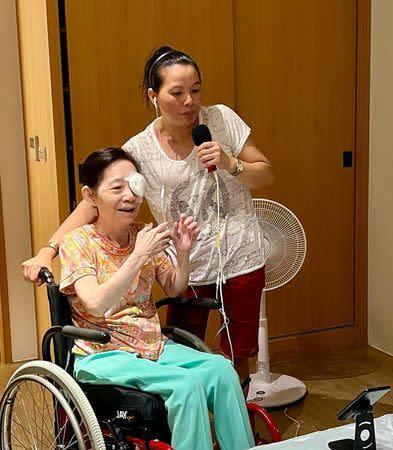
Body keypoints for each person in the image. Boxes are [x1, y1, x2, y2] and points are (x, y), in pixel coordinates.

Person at [23, 45, 275, 383]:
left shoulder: (220, 119)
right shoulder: (139, 149)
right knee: (186, 351)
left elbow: (266, 174)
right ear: (153, 96)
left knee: (240, 351)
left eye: (196, 90)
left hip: (241, 255)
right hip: (186, 262)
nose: (190, 102)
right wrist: (49, 249)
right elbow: (92, 202)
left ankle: (237, 410)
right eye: (177, 93)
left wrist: (231, 163)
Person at [60, 148, 254, 450]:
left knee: (222, 370)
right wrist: (138, 256)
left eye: (133, 185)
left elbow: (174, 287)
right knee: (186, 385)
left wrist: (184, 253)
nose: (130, 196)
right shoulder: (77, 242)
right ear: (91, 195)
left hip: (152, 345)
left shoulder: (144, 234)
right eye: (117, 188)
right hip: (102, 353)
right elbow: (95, 303)